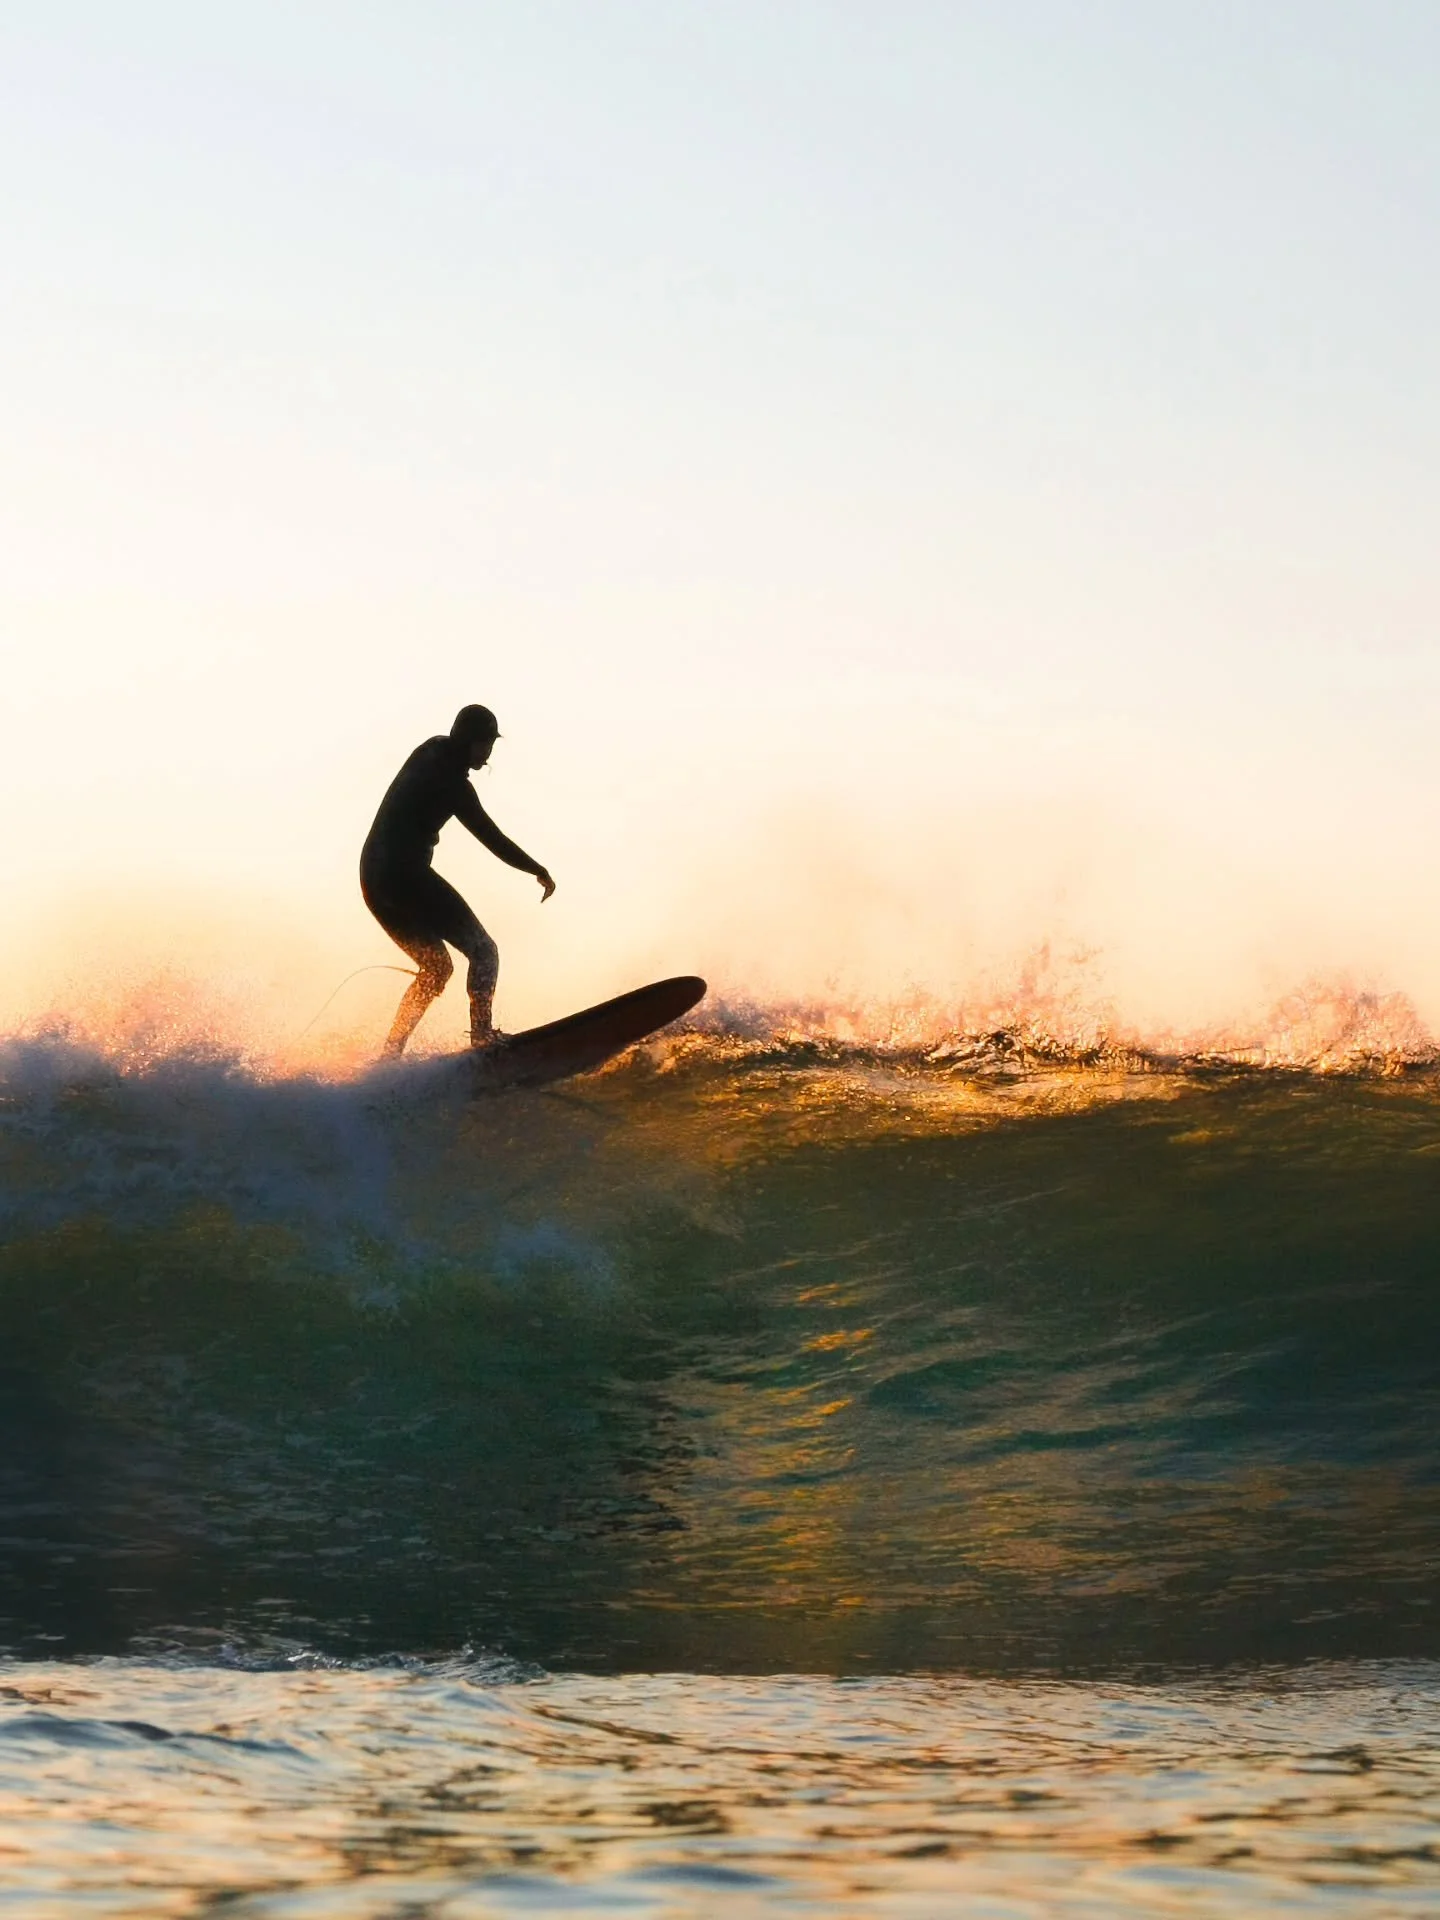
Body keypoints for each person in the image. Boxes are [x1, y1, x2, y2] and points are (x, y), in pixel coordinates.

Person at [360, 704, 554, 1056]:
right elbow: (492, 838)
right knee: (484, 952)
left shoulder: (429, 749)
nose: (488, 752)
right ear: (467, 741)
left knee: (436, 969)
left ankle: (391, 1052)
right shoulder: (454, 786)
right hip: (405, 876)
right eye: (484, 744)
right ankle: (482, 1040)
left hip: (373, 879)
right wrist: (536, 869)